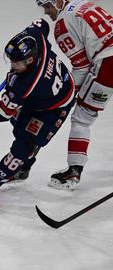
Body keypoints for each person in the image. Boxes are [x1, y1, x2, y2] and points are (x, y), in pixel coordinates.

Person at [0, 19, 76, 207]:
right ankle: (24, 165)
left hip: (54, 108)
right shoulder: (36, 37)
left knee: (24, 145)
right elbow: (42, 24)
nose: (11, 65)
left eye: (16, 62)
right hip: (38, 98)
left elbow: (2, 112)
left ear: (30, 60)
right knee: (19, 126)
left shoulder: (26, 83)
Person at [36, 0, 113, 191]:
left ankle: (73, 171)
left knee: (82, 118)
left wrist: (69, 95)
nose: (46, 12)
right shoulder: (84, 4)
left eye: (47, 6)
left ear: (57, 2)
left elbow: (81, 67)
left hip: (109, 64)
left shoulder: (62, 25)